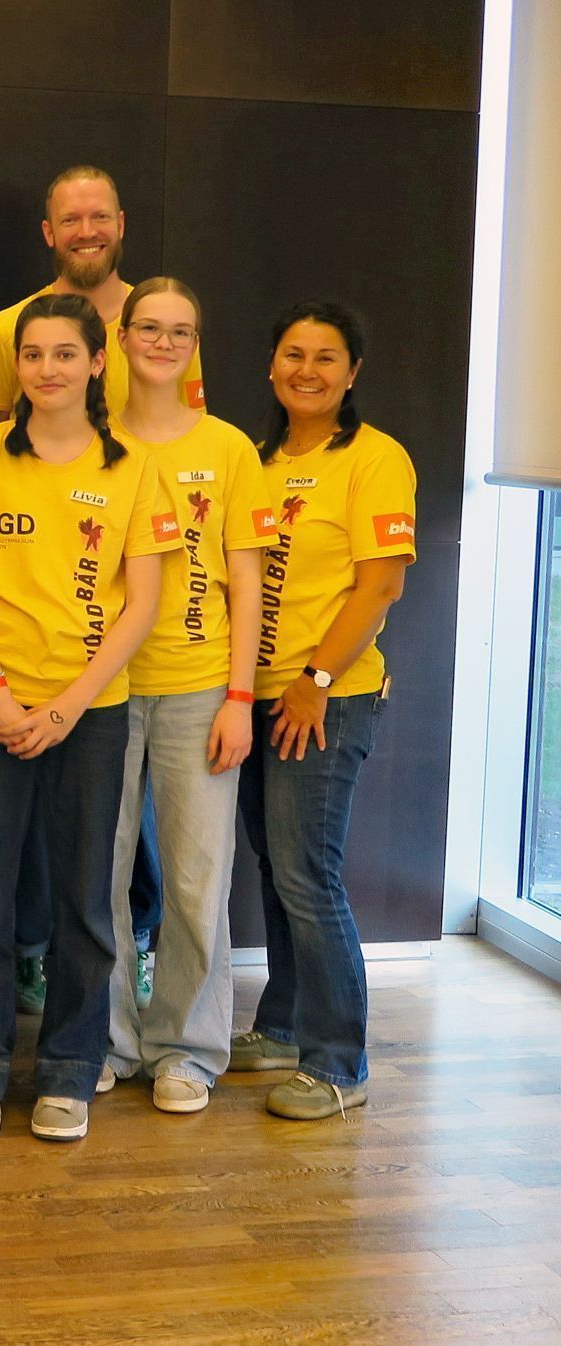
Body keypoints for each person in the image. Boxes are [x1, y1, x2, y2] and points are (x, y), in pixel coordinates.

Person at [0, 293, 180, 1145]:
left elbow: (142, 603)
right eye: (33, 354)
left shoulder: (134, 468)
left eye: (64, 354)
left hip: (93, 711)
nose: (47, 369)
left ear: (95, 361)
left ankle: (71, 1068)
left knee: (85, 897)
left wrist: (72, 702)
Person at [229, 300, 414, 1121]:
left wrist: (315, 677)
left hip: (326, 696)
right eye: (294, 354)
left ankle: (340, 1062)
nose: (308, 370)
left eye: (327, 357)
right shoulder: (255, 460)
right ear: (272, 365)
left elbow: (380, 584)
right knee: (276, 867)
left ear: (352, 372)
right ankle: (281, 1024)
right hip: (257, 694)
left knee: (309, 874)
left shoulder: (374, 459)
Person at [103, 278, 277, 1113]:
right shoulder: (91, 440)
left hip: (199, 686)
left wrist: (239, 695)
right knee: (93, 875)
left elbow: (247, 579)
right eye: (150, 327)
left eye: (182, 330)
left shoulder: (231, 448)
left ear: (196, 343)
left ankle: (186, 1049)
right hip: (98, 690)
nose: (164, 342)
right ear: (123, 337)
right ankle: (101, 1039)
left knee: (198, 879)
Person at [0, 166, 204, 424]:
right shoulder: (6, 329)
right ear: (49, 232)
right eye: (70, 220)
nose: (87, 232)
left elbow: (191, 436)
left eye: (100, 217)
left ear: (120, 224)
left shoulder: (167, 327)